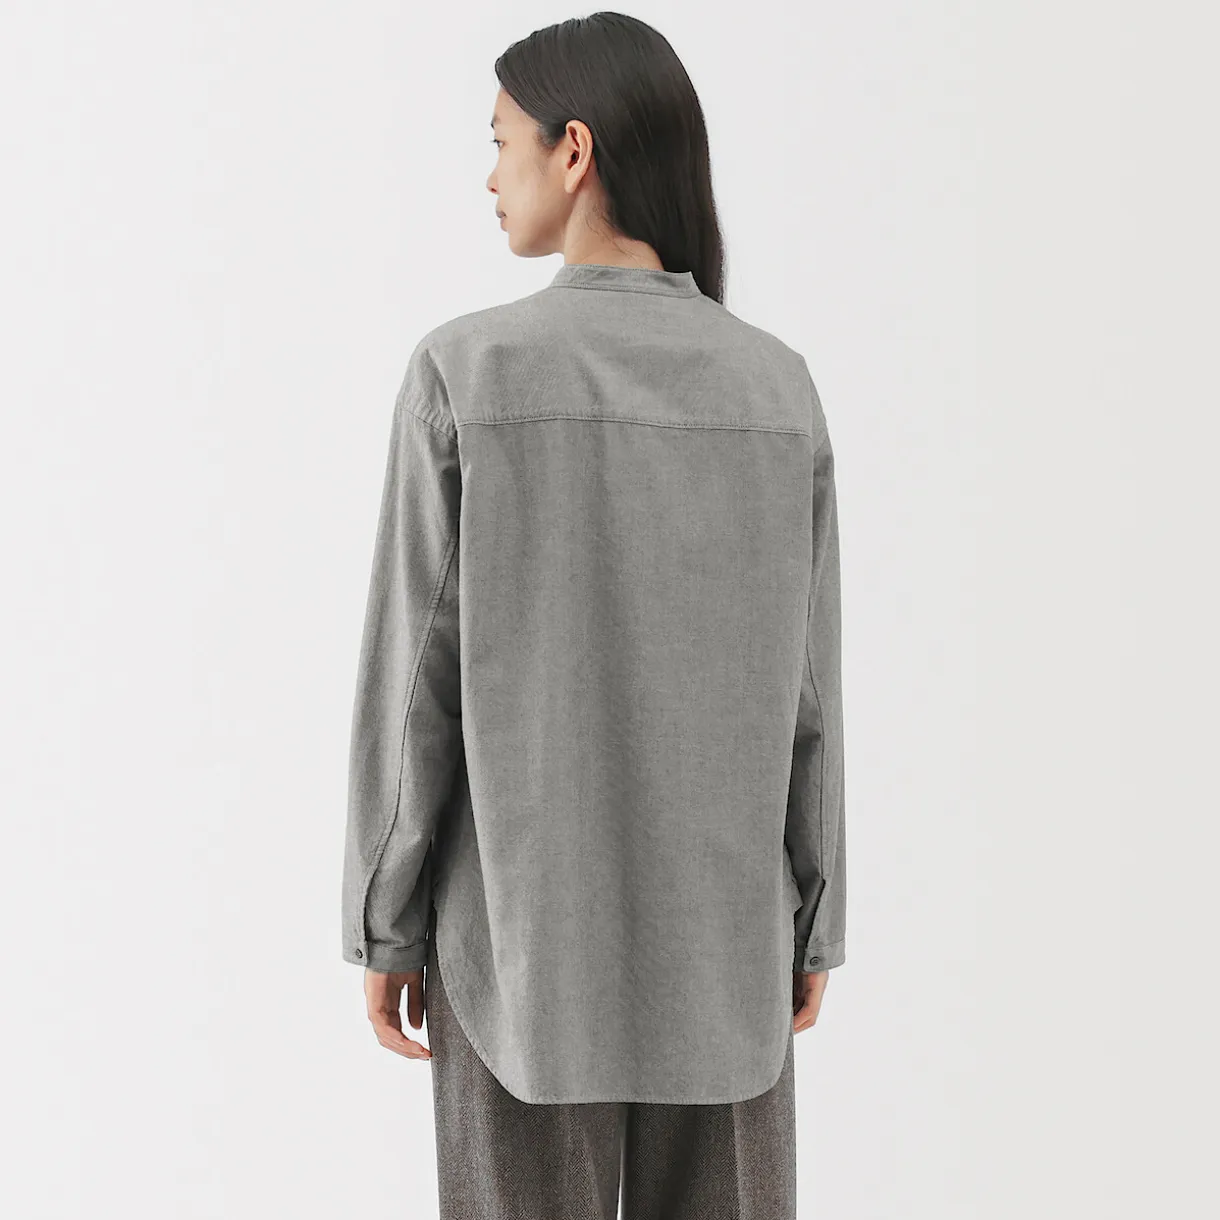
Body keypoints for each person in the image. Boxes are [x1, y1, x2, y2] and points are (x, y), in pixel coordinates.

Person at [340, 12, 846, 1219]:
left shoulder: (465, 372)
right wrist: (813, 915)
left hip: (517, 953)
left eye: (499, 140)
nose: (488, 174)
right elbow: (809, 691)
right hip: (724, 951)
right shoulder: (776, 386)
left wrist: (382, 919)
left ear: (572, 151)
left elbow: (416, 680)